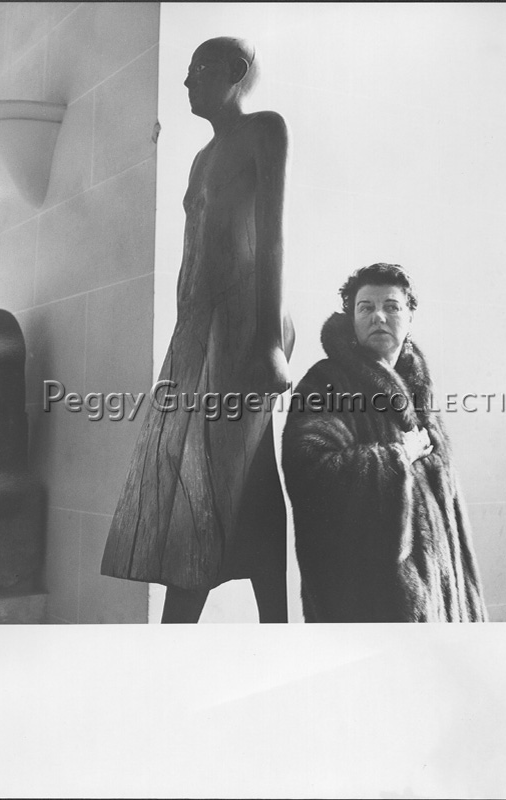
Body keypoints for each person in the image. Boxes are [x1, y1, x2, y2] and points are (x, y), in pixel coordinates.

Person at [101, 37, 294, 623]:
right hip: (200, 332)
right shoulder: (202, 157)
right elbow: (194, 255)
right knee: (211, 473)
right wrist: (185, 336)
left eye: (199, 70)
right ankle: (242, 613)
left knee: (216, 474)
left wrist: (269, 342)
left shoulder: (265, 130)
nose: (187, 83)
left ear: (235, 71)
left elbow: (273, 235)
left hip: (246, 326)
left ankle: (230, 619)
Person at [281, 263, 487, 622]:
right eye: (366, 307)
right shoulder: (326, 383)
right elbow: (309, 473)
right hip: (366, 597)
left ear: (410, 317)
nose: (379, 316)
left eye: (392, 306)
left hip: (440, 597)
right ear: (352, 318)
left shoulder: (417, 386)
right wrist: (398, 456)